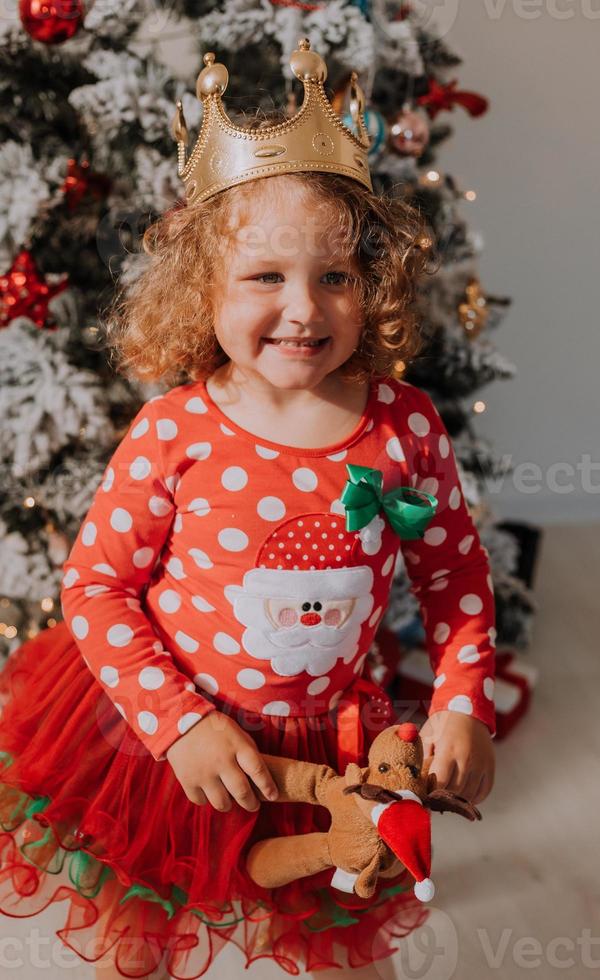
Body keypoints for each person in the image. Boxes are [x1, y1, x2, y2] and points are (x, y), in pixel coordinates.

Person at [0, 41, 496, 980]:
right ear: (204, 289)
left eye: (336, 276)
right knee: (140, 931)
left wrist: (461, 702)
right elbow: (98, 588)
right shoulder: (173, 431)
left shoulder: (405, 427)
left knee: (341, 928)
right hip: (169, 738)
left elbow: (455, 575)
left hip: (333, 743)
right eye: (264, 276)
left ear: (372, 285)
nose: (303, 308)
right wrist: (177, 724)